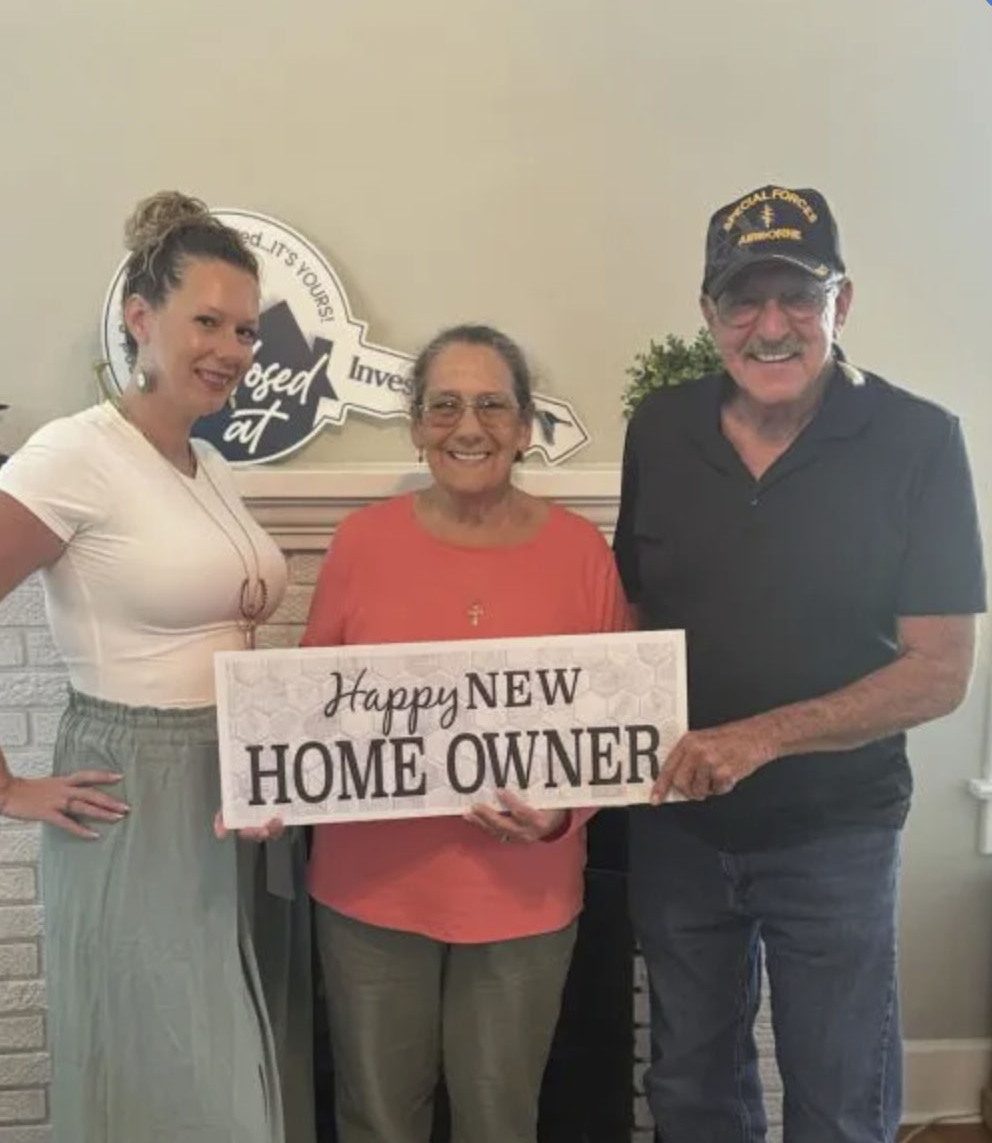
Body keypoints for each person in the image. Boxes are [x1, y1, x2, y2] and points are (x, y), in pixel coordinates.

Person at [614, 184, 986, 1143]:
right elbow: (627, 615)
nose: (770, 326)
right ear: (708, 315)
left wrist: (760, 739)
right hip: (679, 829)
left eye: (798, 298)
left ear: (841, 305)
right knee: (691, 1090)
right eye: (744, 300)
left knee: (839, 1094)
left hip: (837, 832)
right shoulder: (659, 429)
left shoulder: (920, 441)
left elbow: (939, 672)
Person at [0, 192, 315, 1143]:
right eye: (205, 322)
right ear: (140, 318)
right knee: (170, 1068)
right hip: (136, 788)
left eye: (246, 331)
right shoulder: (73, 454)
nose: (229, 349)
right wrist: (6, 787)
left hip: (234, 789)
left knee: (235, 1049)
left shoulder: (204, 463)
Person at [301, 324, 631, 1143]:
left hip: (524, 895)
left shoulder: (580, 553)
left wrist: (565, 816)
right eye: (444, 406)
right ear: (415, 425)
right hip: (370, 893)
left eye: (492, 405)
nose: (468, 427)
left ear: (525, 428)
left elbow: (618, 724)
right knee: (377, 1118)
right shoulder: (360, 543)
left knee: (501, 1119)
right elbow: (308, 703)